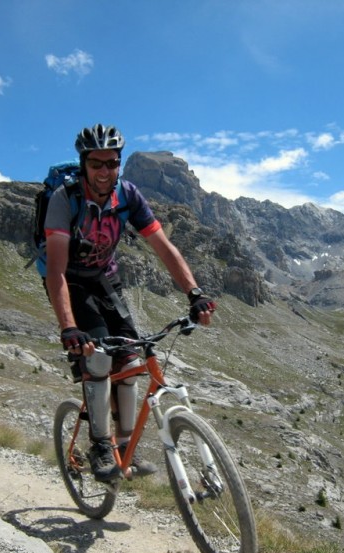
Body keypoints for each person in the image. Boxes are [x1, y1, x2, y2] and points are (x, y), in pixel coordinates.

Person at [44, 123, 216, 482]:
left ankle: (126, 448)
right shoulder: (65, 199)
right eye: (96, 164)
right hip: (70, 280)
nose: (105, 171)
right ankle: (101, 447)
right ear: (84, 164)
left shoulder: (129, 195)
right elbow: (56, 271)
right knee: (98, 358)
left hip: (106, 278)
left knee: (131, 358)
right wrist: (69, 327)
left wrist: (194, 293)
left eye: (112, 163)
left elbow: (164, 248)